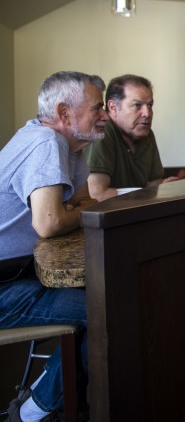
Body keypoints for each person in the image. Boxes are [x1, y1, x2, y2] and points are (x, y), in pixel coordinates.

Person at [1, 71, 109, 422]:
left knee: (104, 295)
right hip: (5, 286)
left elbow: (82, 201)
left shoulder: (72, 149)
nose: (105, 115)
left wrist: (73, 210)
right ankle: (36, 411)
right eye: (98, 108)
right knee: (106, 309)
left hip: (19, 275)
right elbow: (49, 222)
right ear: (64, 113)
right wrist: (73, 211)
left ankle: (58, 398)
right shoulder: (46, 143)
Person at [83, 75, 179, 200]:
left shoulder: (147, 134)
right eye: (137, 105)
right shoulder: (102, 132)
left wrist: (165, 187)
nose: (147, 113)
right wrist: (149, 192)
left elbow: (154, 184)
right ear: (113, 108)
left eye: (150, 105)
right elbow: (96, 194)